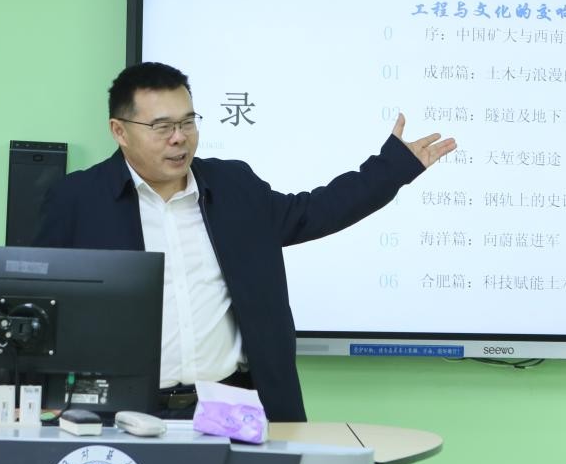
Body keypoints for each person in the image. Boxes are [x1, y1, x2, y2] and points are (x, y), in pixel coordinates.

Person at [33, 62, 455, 422]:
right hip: (121, 416)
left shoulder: (233, 187)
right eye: (162, 127)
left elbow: (314, 212)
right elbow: (36, 304)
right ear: (120, 131)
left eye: (187, 122)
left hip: (229, 407)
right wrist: (25, 400)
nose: (179, 137)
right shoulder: (78, 201)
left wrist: (392, 168)